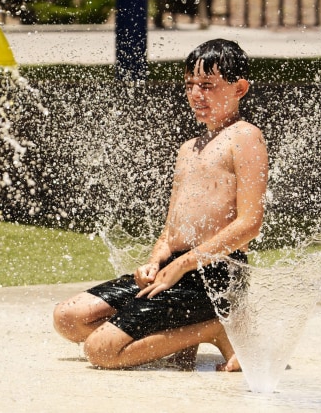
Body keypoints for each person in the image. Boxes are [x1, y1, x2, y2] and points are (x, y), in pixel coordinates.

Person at [53, 39, 268, 372]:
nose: (196, 95)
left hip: (214, 274)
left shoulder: (245, 136)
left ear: (239, 88)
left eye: (208, 86)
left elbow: (250, 223)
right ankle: (181, 334)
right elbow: (171, 229)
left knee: (101, 352)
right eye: (190, 86)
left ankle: (214, 327)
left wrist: (184, 266)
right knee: (68, 318)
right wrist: (154, 263)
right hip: (174, 271)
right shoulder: (188, 149)